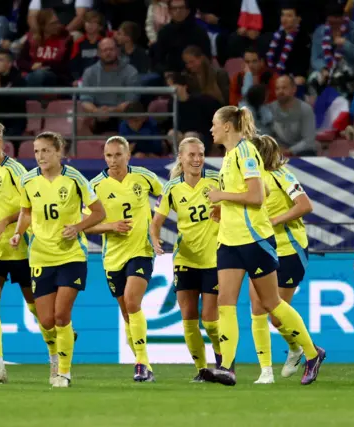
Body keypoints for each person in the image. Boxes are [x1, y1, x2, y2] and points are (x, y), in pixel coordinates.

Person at [202, 106, 325, 386]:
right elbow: (264, 190)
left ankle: (311, 353)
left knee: (270, 304)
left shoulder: (245, 151)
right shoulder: (231, 155)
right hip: (230, 239)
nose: (211, 129)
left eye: (214, 124)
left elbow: (257, 196)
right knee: (226, 303)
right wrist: (224, 207)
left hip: (254, 238)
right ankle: (227, 368)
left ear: (228, 127)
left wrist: (221, 195)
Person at [10, 132, 105, 388]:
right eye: (37, 151)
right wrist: (18, 233)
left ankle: (63, 372)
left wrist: (78, 227)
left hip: (71, 255)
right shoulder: (28, 180)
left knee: (61, 315)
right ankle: (58, 352)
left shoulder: (74, 178)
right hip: (40, 256)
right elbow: (26, 212)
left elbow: (99, 212)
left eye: (45, 151)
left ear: (58, 152)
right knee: (47, 321)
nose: (40, 156)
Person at [0, 122, 58, 384]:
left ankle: (56, 359)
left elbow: (29, 206)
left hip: (19, 248)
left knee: (38, 310)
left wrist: (5, 222)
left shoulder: (15, 171)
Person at [87, 136, 163, 382]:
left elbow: (167, 195)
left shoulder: (143, 176)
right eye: (108, 156)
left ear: (128, 154)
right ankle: (145, 362)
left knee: (132, 302)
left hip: (140, 250)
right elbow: (85, 225)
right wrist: (110, 226)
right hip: (112, 257)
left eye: (118, 155)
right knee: (127, 312)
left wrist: (154, 227)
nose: (113, 160)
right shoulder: (96, 185)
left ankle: (140, 363)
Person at [149, 137, 221, 382]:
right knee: (189, 318)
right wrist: (155, 239)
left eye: (200, 154)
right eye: (191, 155)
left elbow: (233, 206)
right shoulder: (171, 188)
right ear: (181, 157)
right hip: (185, 260)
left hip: (213, 259)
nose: (197, 159)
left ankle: (223, 365)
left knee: (211, 321)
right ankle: (202, 370)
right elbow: (155, 222)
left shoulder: (216, 181)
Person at [247, 134, 313, 384]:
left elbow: (305, 205)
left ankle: (302, 350)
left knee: (276, 315)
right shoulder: (249, 180)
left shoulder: (281, 175)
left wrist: (273, 221)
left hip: (289, 249)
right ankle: (266, 371)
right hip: (262, 249)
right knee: (256, 309)